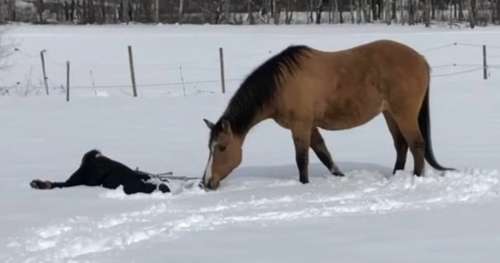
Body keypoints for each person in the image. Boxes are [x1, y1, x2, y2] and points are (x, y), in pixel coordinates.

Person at [30, 150, 170, 195]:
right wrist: (148, 176)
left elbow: (68, 184)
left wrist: (50, 185)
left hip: (111, 183)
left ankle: (156, 187)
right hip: (120, 175)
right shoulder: (108, 161)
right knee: (138, 183)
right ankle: (157, 186)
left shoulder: (82, 170)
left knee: (132, 187)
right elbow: (129, 172)